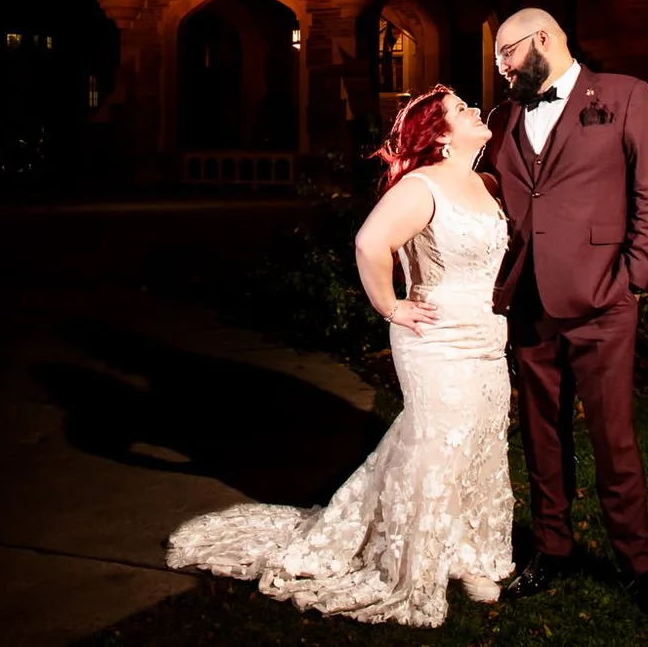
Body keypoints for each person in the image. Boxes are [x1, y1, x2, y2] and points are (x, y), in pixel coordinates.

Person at [166, 86, 514, 627]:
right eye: (461, 109)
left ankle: (473, 554)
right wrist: (391, 306)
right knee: (438, 443)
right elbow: (369, 243)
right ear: (440, 135)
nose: (474, 109)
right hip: (434, 335)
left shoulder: (485, 184)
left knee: (481, 441)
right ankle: (415, 558)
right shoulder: (421, 187)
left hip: (485, 336)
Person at [478, 7, 648, 620]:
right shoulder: (504, 115)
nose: (501, 67)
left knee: (612, 436)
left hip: (603, 299)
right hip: (529, 299)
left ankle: (638, 566)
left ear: (542, 39)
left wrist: (636, 277)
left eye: (507, 53)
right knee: (542, 434)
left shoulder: (624, 96)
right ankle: (552, 548)